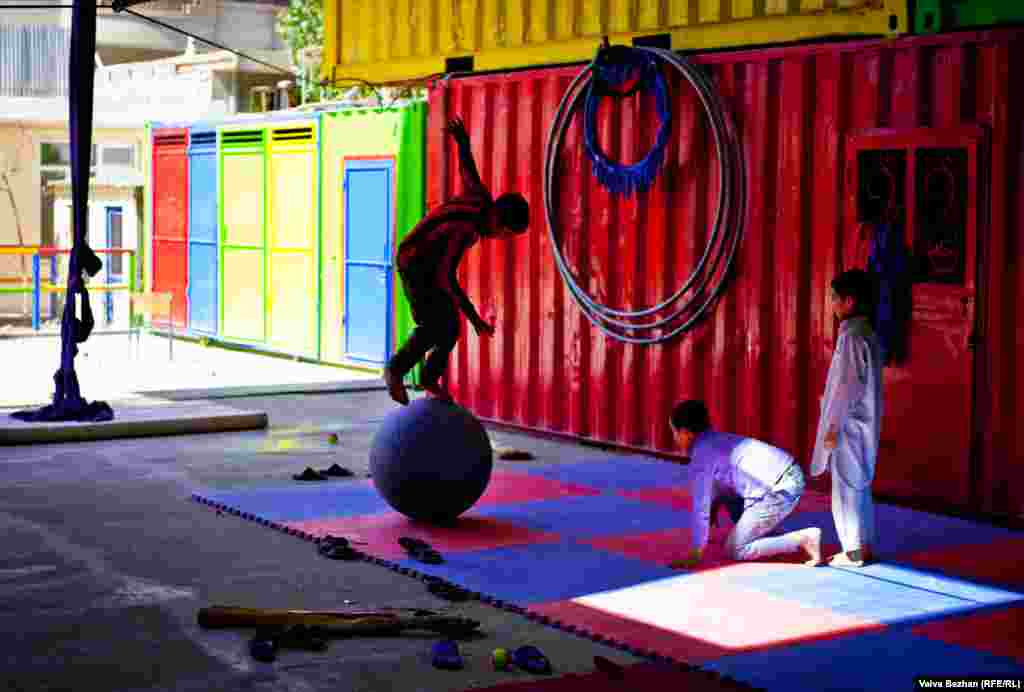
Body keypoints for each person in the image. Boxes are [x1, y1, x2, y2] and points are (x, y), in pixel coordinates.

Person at [382, 116, 529, 405]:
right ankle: (396, 370)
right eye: (507, 235)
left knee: (449, 326)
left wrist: (462, 141)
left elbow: (467, 170)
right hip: (415, 262)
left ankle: (428, 377)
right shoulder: (466, 229)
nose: (502, 240)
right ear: (499, 223)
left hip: (426, 263)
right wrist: (475, 318)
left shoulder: (481, 198)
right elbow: (445, 276)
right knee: (435, 325)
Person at [670, 400, 822, 567]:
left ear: (685, 433)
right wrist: (714, 502)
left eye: (674, 433)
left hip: (779, 488)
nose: (674, 438)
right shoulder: (715, 438)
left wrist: (696, 551)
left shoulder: (701, 454)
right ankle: (765, 534)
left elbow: (701, 506)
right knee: (724, 488)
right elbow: (719, 486)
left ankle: (802, 539)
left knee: (735, 549)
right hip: (784, 474)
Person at [811, 269, 884, 568]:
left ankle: (853, 550)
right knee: (859, 485)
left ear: (849, 301)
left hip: (849, 424)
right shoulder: (865, 333)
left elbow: (846, 388)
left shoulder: (853, 337)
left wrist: (831, 427)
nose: (832, 304)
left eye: (834, 298)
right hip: (862, 421)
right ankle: (862, 546)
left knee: (845, 487)